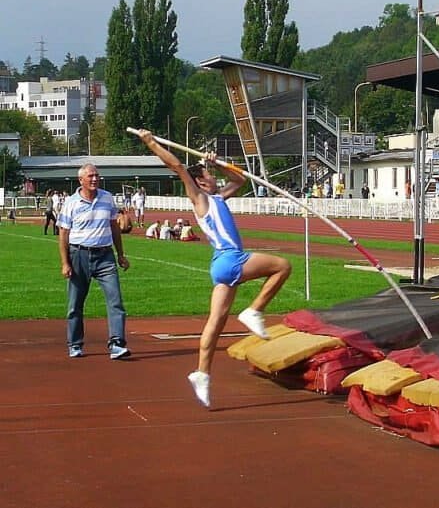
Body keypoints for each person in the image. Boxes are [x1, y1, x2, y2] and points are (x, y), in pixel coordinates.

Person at [137, 129, 292, 408]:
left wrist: (217, 163)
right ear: (200, 182)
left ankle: (202, 374)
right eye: (209, 175)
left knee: (215, 323)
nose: (213, 178)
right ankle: (254, 310)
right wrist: (151, 143)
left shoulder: (219, 196)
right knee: (282, 266)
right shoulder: (200, 199)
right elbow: (177, 166)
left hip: (221, 266)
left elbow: (240, 179)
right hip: (231, 259)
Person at [56, 163, 131, 360]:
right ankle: (75, 343)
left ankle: (117, 343)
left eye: (97, 175)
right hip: (79, 255)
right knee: (75, 304)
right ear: (81, 180)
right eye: (90, 176)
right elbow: (63, 234)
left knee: (115, 301)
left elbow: (114, 226)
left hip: (105, 256)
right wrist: (65, 262)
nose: (95, 179)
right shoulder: (71, 203)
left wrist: (120, 254)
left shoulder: (107, 198)